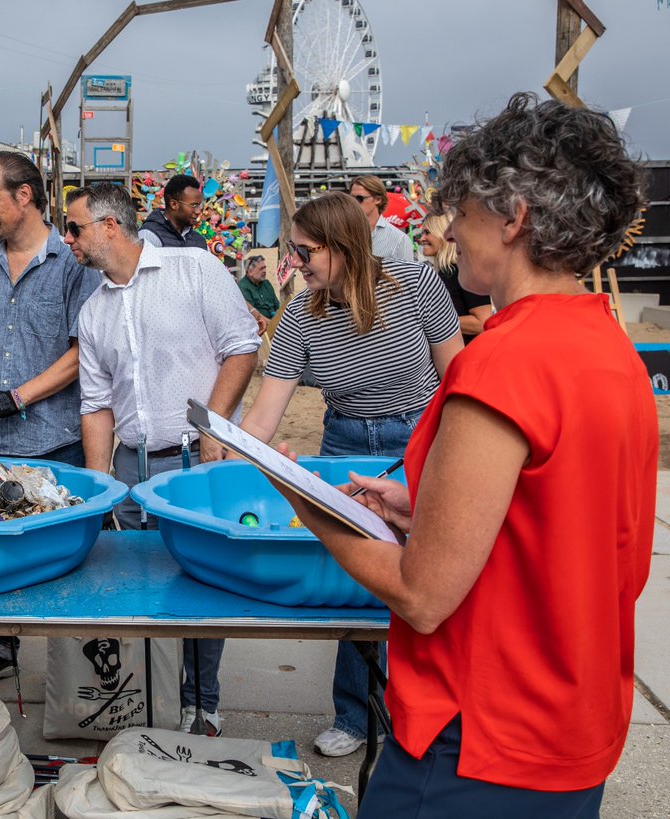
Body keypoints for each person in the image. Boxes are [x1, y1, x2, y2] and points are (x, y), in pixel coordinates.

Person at [283, 93, 651, 818]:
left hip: (480, 735)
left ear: (513, 218)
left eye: (463, 212)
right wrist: (423, 511)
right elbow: (556, 523)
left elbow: (423, 596)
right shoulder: (610, 348)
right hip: (572, 719)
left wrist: (311, 506)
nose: (449, 231)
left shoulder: (505, 361)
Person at [238, 191, 462, 758]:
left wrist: (451, 456)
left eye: (306, 250)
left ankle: (427, 711)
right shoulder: (298, 316)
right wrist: (227, 452)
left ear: (344, 247)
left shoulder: (415, 286)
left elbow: (458, 381)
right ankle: (357, 717)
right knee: (360, 584)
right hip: (344, 441)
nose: (296, 262)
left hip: (418, 438)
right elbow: (264, 414)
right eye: (292, 249)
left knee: (427, 580)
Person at [70, 182, 260, 738]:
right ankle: (150, 699)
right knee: (139, 587)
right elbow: (96, 404)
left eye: (76, 227)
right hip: (131, 467)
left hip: (195, 460)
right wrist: (97, 482)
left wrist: (212, 425)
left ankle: (202, 703)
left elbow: (241, 347)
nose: (69, 239)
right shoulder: (92, 310)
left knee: (201, 585)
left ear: (109, 226)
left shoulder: (195, 269)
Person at [0, 152, 101, 692]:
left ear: (24, 196)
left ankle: (78, 674)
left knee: (58, 560)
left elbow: (86, 352)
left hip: (55, 439)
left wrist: (19, 397)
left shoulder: (73, 264)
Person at [418, 210, 492, 345]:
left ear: (442, 233)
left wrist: (433, 321)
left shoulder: (462, 270)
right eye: (421, 233)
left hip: (471, 355)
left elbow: (482, 323)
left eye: (427, 233)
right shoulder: (441, 272)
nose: (421, 239)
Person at [349, 175, 413, 263]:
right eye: (351, 199)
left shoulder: (400, 240)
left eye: (359, 198)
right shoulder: (343, 232)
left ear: (378, 199)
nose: (354, 203)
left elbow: (408, 276)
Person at [137, 174, 207, 249]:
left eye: (200, 205)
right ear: (173, 204)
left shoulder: (199, 241)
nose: (198, 211)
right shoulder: (149, 236)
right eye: (194, 205)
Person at [237, 254, 279, 330]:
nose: (264, 271)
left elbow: (277, 307)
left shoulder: (266, 284)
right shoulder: (243, 287)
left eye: (265, 268)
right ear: (250, 272)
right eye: (261, 269)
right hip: (260, 328)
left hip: (275, 324)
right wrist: (272, 325)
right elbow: (254, 315)